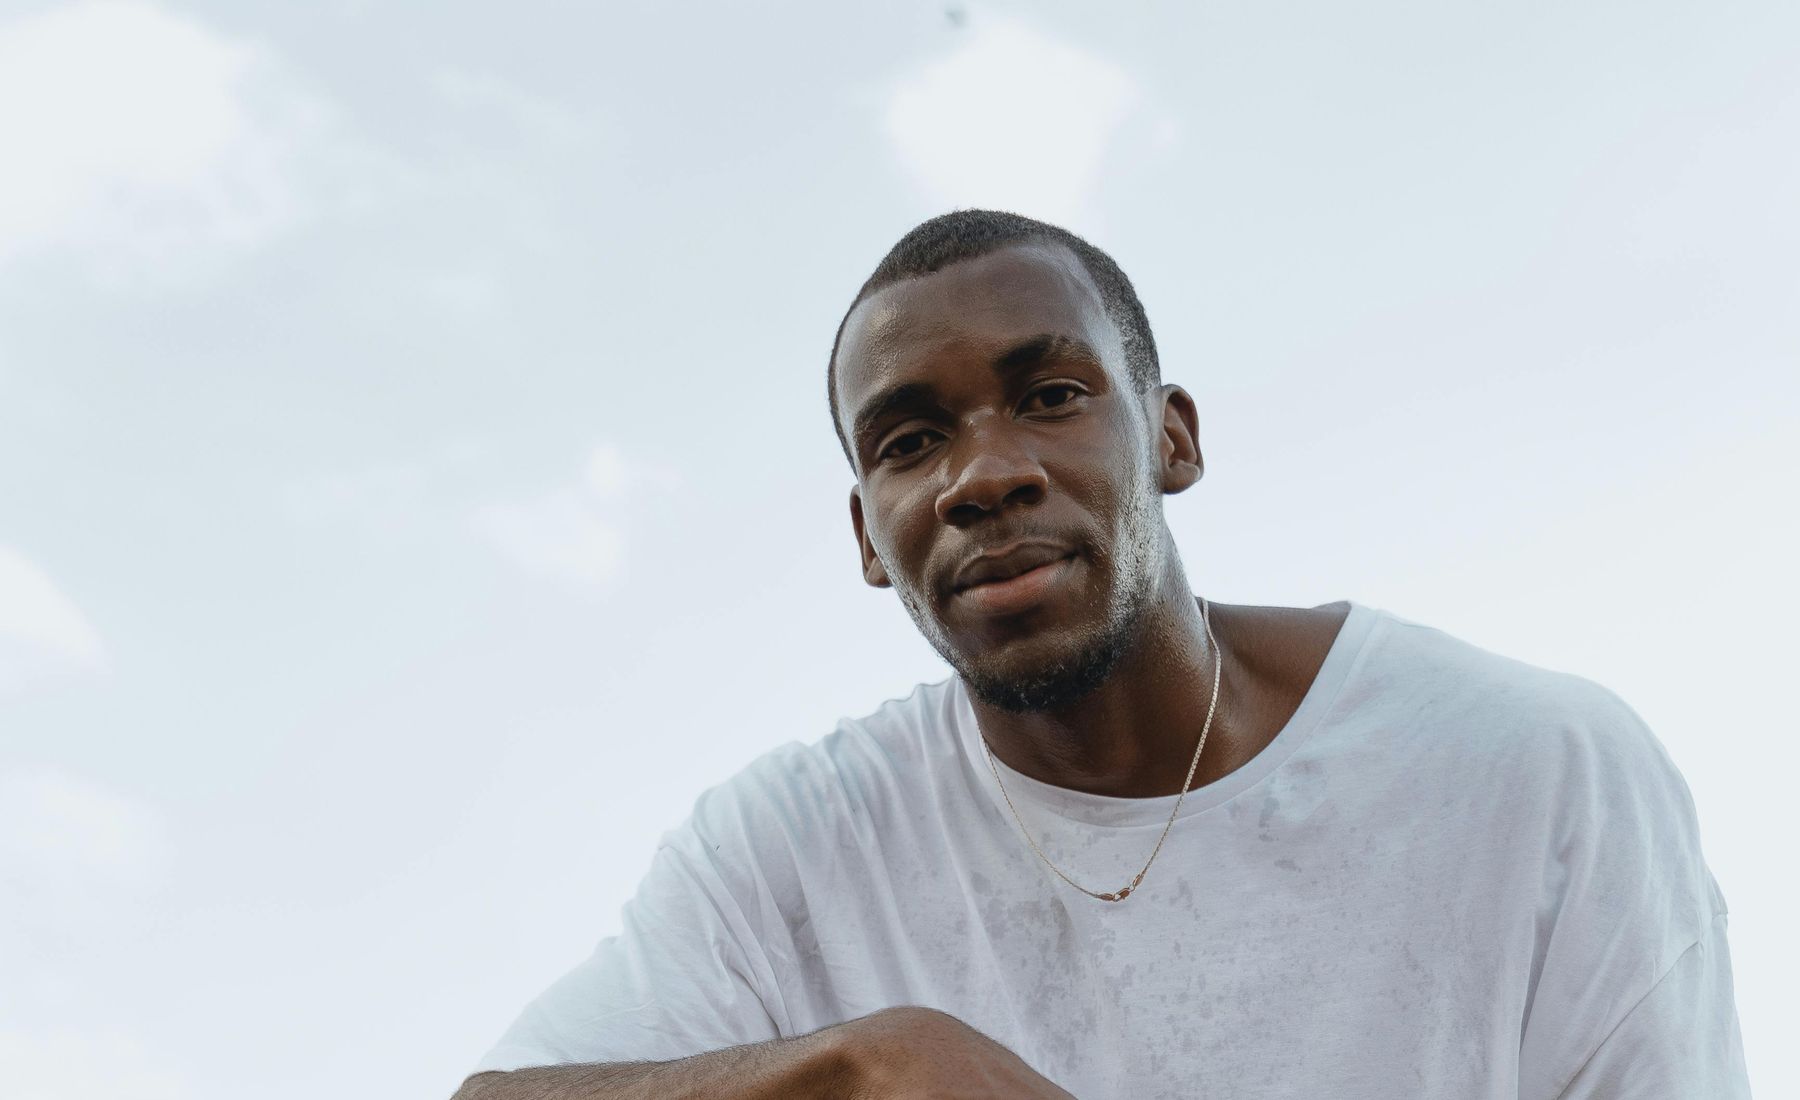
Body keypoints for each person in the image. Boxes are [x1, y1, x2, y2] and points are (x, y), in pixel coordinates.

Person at [451, 210, 1751, 1099]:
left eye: (1052, 395)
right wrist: (861, 1066)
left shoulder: (1529, 772)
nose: (984, 473)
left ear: (1173, 437)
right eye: (908, 441)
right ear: (868, 537)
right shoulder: (794, 849)